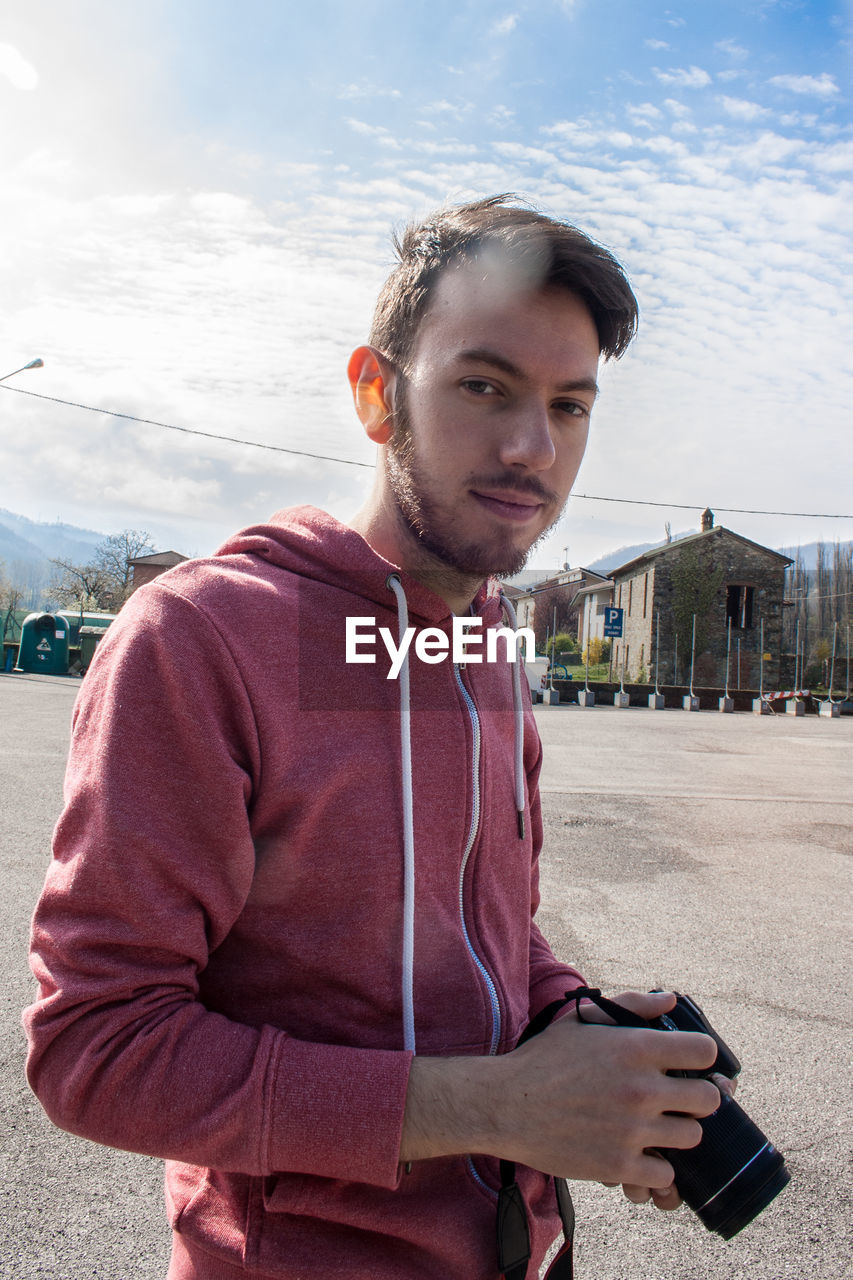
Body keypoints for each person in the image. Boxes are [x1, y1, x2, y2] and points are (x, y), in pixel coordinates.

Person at [24, 195, 721, 1280]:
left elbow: (490, 936)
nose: (531, 445)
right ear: (374, 391)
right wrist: (494, 1105)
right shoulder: (203, 637)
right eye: (483, 385)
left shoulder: (488, 641)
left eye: (570, 404)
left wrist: (574, 1023)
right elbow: (95, 1047)